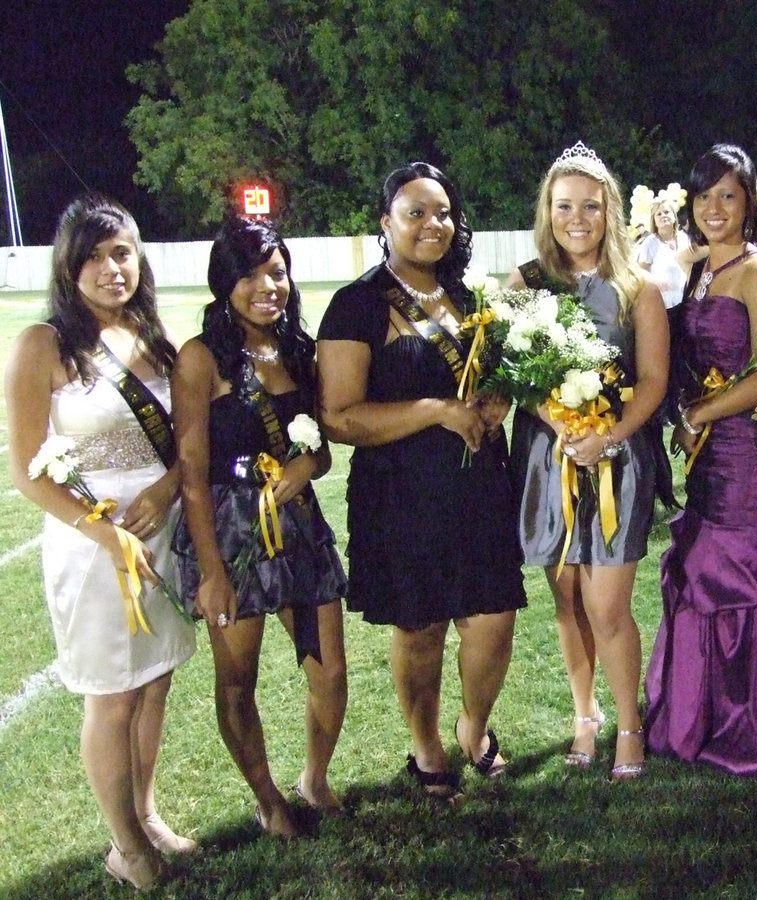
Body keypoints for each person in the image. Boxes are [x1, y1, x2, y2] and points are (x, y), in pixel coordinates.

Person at [317, 163, 526, 801]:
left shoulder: (468, 296)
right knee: (421, 628)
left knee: (494, 618)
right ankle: (427, 745)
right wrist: (436, 411)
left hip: (480, 487)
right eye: (415, 213)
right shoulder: (358, 304)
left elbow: (492, 377)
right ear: (386, 222)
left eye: (442, 213)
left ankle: (474, 725)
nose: (432, 224)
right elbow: (339, 417)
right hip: (400, 496)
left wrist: (497, 399)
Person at [5, 195, 196, 890]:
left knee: (155, 682)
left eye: (122, 253)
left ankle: (146, 815)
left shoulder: (154, 335)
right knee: (113, 696)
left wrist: (168, 489)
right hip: (94, 547)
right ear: (68, 265)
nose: (112, 268)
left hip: (162, 531)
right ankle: (125, 844)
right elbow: (28, 471)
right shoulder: (44, 344)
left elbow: (185, 443)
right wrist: (106, 534)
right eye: (94, 256)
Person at [171, 217, 348, 837]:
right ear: (224, 283)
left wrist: (308, 464)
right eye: (248, 276)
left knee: (330, 672)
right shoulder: (200, 358)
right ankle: (268, 800)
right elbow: (192, 474)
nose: (265, 287)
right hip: (232, 533)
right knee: (237, 679)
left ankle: (314, 779)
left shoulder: (299, 349)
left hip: (299, 526)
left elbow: (322, 451)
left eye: (276, 273)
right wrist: (212, 572)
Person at [644, 144, 757, 777]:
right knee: (700, 568)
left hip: (744, 450)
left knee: (738, 575)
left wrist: (700, 416)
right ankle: (700, 714)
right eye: (704, 195)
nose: (714, 208)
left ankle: (755, 725)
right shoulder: (698, 272)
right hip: (706, 453)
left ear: (749, 205)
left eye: (728, 196)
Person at [507, 142, 668, 779]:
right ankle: (585, 714)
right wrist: (558, 420)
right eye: (564, 206)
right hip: (549, 457)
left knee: (607, 604)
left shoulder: (637, 289)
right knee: (568, 597)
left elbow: (653, 381)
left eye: (591, 207)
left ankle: (629, 724)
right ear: (547, 211)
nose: (577, 219)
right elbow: (513, 375)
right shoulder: (526, 283)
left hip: (616, 458)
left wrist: (609, 435)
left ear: (610, 211)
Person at [637, 189, 691, 310]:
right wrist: (655, 282)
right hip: (662, 305)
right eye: (659, 214)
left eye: (667, 212)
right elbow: (640, 272)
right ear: (654, 221)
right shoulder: (650, 243)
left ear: (674, 216)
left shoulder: (684, 238)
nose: (663, 216)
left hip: (685, 301)